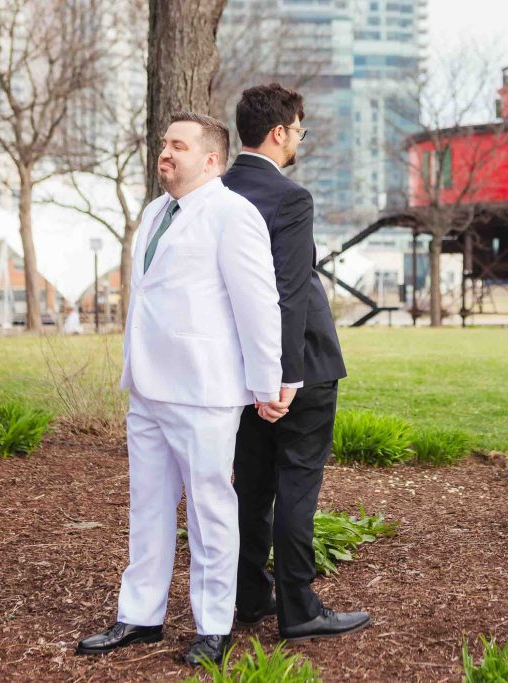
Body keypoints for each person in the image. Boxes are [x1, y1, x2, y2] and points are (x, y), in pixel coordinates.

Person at [76, 111, 285, 665]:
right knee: (147, 508)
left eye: (178, 146)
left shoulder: (232, 214)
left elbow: (257, 304)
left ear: (211, 160)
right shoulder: (153, 211)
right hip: (146, 387)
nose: (164, 153)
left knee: (209, 511)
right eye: (163, 144)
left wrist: (266, 383)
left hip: (204, 390)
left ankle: (213, 626)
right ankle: (139, 617)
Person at [222, 83, 367, 642]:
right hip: (298, 366)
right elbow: (287, 291)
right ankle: (300, 607)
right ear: (279, 132)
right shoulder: (290, 197)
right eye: (299, 130)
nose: (299, 140)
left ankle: (250, 595)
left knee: (252, 485)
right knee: (298, 483)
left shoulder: (216, 194)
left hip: (239, 370)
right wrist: (283, 377)